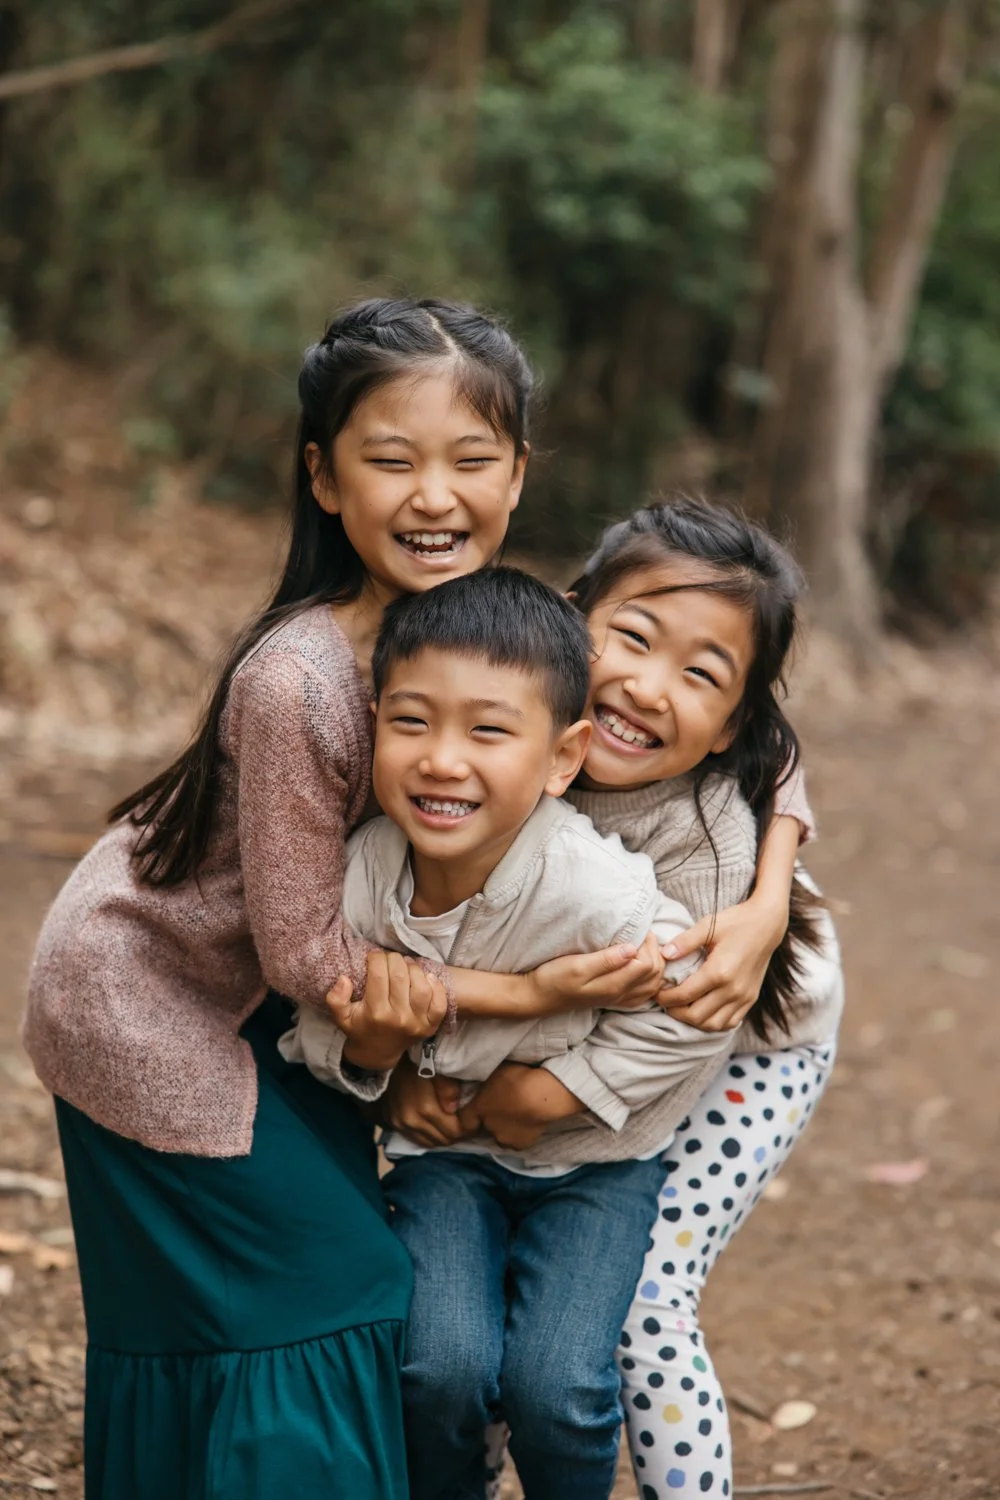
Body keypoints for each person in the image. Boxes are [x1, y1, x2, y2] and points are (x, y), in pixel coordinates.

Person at [21, 297, 667, 1500]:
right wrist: (522, 992)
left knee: (296, 1302)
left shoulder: (494, 636)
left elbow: (703, 698)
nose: (434, 495)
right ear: (323, 478)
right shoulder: (301, 678)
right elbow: (316, 953)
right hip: (156, 1004)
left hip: (272, 1015)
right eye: (390, 459)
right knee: (340, 1289)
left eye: (471, 460)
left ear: (518, 476)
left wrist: (778, 844)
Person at [384, 497, 844, 1500]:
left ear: (732, 723)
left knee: (639, 1312)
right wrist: (393, 1081)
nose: (645, 686)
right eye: (629, 638)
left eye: (698, 675)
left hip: (746, 1039)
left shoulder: (707, 828)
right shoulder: (489, 733)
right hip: (521, 1079)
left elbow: (688, 1020)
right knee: (464, 1340)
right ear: (565, 620)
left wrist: (561, 1092)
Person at [284, 565, 745, 1500]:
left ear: (563, 757)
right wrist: (374, 1059)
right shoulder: (362, 876)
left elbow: (694, 1014)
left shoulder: (594, 887)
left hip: (597, 1170)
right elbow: (316, 1028)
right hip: (444, 1158)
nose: (443, 760)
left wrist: (561, 1089)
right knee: (439, 1366)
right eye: (410, 722)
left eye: (488, 731)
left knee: (560, 1386)